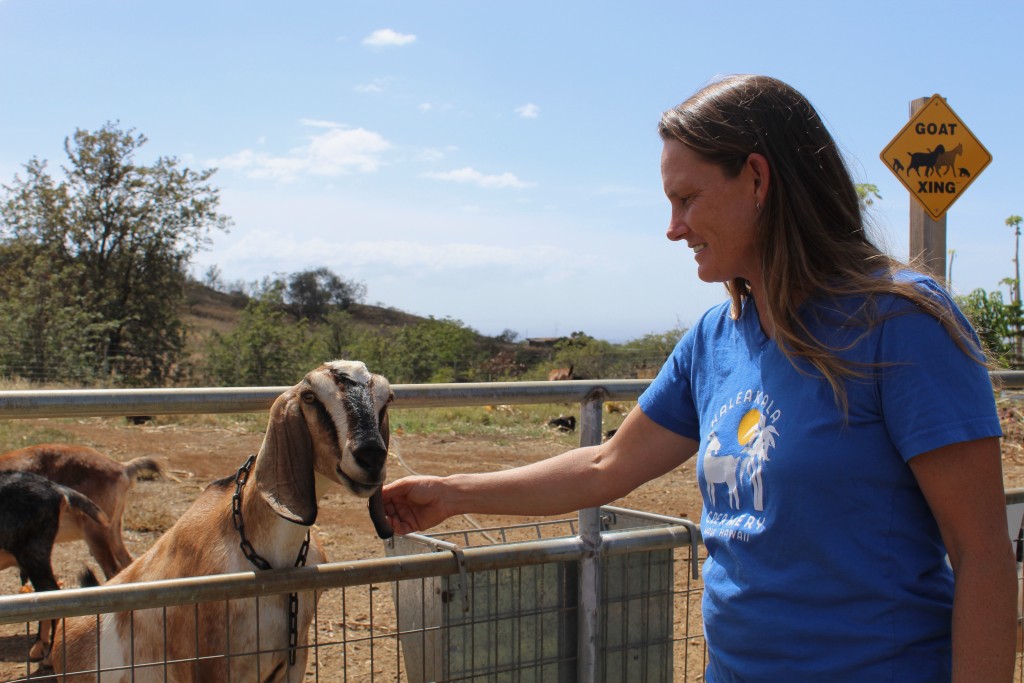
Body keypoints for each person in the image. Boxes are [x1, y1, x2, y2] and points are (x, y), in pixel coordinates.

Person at [382, 74, 1017, 682]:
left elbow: (982, 553)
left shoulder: (901, 324)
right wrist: (455, 491)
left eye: (688, 199)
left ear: (759, 179)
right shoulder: (717, 337)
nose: (673, 227)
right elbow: (605, 465)